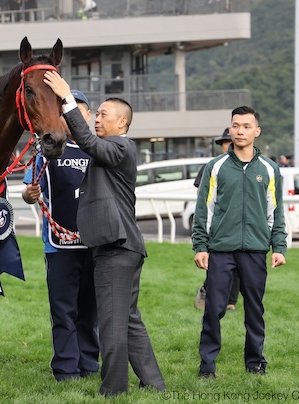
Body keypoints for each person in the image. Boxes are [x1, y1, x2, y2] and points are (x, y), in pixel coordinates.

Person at [43, 71, 166, 396]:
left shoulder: (120, 147)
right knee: (128, 320)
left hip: (116, 248)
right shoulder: (112, 148)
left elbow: (86, 142)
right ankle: (154, 384)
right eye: (95, 114)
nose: (96, 119)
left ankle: (113, 390)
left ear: (122, 123)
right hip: (122, 247)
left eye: (102, 114)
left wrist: (66, 98)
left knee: (112, 324)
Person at [193, 106, 287, 379]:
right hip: (220, 250)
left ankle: (255, 363)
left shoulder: (270, 169)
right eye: (235, 126)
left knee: (255, 310)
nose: (240, 131)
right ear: (230, 129)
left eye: (246, 126)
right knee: (213, 309)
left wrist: (279, 247)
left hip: (255, 251)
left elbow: (275, 212)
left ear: (257, 131)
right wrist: (200, 246)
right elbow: (204, 210)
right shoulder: (216, 167)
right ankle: (207, 366)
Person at [22, 89, 99, 382]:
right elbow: (30, 190)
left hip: (94, 245)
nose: (70, 116)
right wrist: (30, 194)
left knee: (90, 309)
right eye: (64, 111)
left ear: (87, 115)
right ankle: (66, 368)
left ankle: (89, 364)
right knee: (63, 311)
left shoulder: (99, 149)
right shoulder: (47, 150)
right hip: (59, 247)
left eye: (76, 110)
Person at [193, 128, 240, 312]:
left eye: (231, 142)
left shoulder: (248, 166)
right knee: (217, 265)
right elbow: (201, 196)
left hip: (240, 226)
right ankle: (207, 289)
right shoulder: (211, 166)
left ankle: (231, 302)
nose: (229, 146)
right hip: (218, 226)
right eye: (226, 143)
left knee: (238, 266)